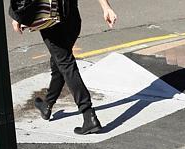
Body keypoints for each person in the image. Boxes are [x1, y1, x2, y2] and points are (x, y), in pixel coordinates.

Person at [11, 0, 117, 135]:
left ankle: (88, 114)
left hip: (51, 19)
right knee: (59, 62)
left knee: (66, 64)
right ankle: (47, 104)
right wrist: (106, 7)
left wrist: (19, 16)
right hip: (72, 18)